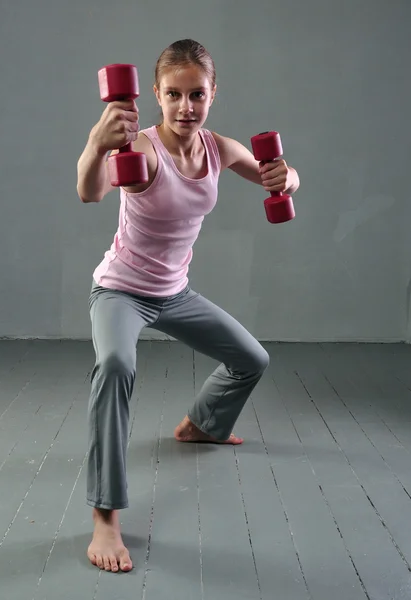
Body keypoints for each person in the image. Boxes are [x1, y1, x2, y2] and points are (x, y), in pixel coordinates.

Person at [76, 38, 300, 573]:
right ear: (154, 94)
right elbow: (89, 191)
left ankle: (200, 423)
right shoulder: (141, 151)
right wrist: (94, 143)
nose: (185, 107)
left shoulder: (217, 148)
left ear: (212, 93)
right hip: (122, 291)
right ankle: (104, 516)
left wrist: (286, 176)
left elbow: (277, 175)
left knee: (253, 360)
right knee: (114, 364)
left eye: (196, 94)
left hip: (175, 294)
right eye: (173, 94)